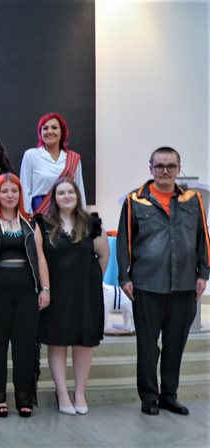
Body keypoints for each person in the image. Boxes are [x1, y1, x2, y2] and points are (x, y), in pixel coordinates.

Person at [117, 146, 209, 416]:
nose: (165, 171)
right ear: (150, 168)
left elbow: (203, 238)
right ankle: (149, 398)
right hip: (146, 285)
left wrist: (203, 273)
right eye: (160, 166)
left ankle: (169, 395)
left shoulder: (193, 201)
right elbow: (124, 242)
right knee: (147, 345)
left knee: (175, 344)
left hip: (183, 285)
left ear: (179, 169)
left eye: (171, 166)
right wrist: (125, 277)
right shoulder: (135, 201)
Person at [0, 174, 50, 418]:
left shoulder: (30, 222)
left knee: (26, 346)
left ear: (20, 194)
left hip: (27, 291)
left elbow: (40, 258)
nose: (9, 195)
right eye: (4, 191)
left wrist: (45, 289)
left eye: (14, 191)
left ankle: (24, 398)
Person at [35, 178, 108, 415]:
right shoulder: (43, 224)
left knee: (84, 343)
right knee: (57, 342)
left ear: (77, 196)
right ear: (53, 198)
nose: (66, 196)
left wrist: (92, 281)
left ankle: (79, 393)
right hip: (56, 291)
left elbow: (104, 255)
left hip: (85, 291)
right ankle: (62, 393)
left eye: (70, 192)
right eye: (60, 193)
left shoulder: (91, 223)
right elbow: (40, 258)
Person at [20, 112, 87, 215]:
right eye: (45, 128)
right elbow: (25, 190)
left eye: (54, 128)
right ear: (40, 132)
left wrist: (83, 216)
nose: (49, 131)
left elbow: (79, 191)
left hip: (68, 212)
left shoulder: (73, 158)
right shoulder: (31, 155)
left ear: (62, 132)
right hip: (41, 213)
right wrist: (26, 217)